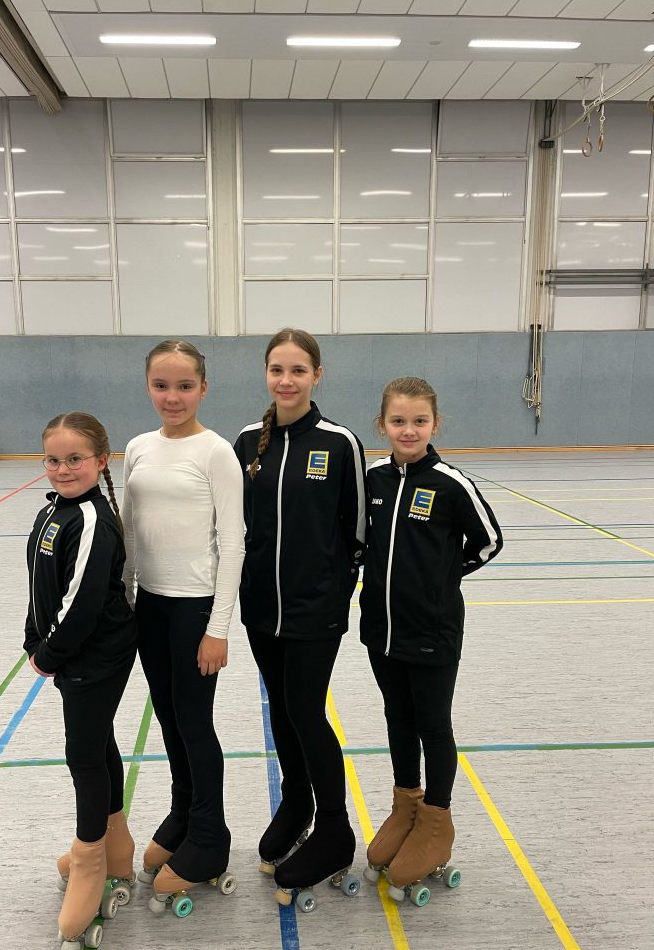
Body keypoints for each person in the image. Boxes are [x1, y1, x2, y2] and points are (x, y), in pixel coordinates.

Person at [234, 327, 367, 904]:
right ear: (266, 374)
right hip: (261, 609)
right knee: (282, 713)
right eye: (276, 370)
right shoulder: (246, 442)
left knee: (307, 712)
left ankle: (334, 830)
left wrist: (333, 594)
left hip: (315, 612)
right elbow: (236, 523)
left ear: (317, 375)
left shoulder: (339, 443)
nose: (286, 380)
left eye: (297, 370)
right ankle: (297, 803)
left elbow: (357, 532)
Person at [360, 377, 503, 898]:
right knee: (397, 717)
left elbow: (489, 541)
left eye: (419, 421)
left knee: (432, 724)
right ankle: (407, 806)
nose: (409, 430)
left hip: (432, 631)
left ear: (435, 425)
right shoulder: (374, 479)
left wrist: (442, 578)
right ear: (382, 424)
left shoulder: (450, 483)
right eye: (398, 420)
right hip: (381, 629)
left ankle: (436, 820)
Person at [121, 340, 244, 914]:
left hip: (196, 608)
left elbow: (234, 544)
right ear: (148, 386)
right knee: (169, 718)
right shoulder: (138, 448)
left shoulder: (216, 453)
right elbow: (130, 529)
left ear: (203, 389)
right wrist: (127, 600)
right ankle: (183, 813)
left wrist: (218, 628)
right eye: (161, 385)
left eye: (185, 386)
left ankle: (210, 837)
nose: (173, 397)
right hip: (151, 605)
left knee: (195, 722)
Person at [24, 412, 137, 950]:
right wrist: (33, 637)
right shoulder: (53, 512)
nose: (63, 469)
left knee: (84, 756)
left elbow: (83, 602)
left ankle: (91, 860)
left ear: (101, 461)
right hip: (72, 656)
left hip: (98, 655)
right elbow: (41, 584)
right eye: (53, 460)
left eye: (75, 459)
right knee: (98, 742)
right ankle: (116, 846)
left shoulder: (92, 519)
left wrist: (49, 654)